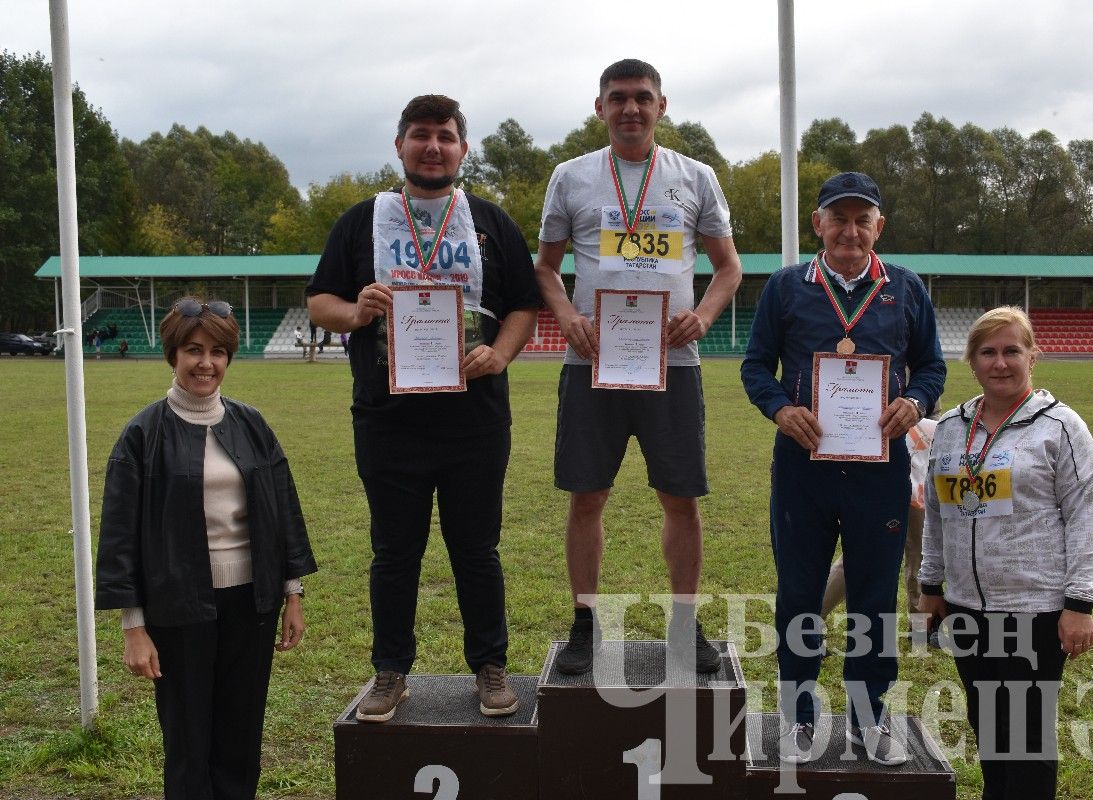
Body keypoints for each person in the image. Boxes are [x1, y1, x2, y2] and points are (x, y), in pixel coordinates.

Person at [307, 94, 540, 721]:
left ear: (463, 148)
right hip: (388, 419)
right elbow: (319, 302)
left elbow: (523, 304)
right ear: (400, 145)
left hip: (475, 420)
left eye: (444, 135)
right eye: (419, 135)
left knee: (477, 549)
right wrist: (356, 312)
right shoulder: (362, 221)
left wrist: (500, 354)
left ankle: (490, 666)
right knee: (394, 551)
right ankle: (390, 672)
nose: (432, 146)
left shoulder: (491, 222)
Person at [534, 58, 743, 675]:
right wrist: (568, 317)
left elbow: (728, 267)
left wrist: (702, 317)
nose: (630, 108)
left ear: (662, 105)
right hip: (591, 362)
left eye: (642, 98)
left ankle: (685, 624)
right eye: (618, 98)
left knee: (680, 499)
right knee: (586, 498)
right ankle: (584, 623)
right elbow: (544, 267)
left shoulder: (695, 177)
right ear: (599, 107)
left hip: (672, 364)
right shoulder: (570, 178)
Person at [740, 171, 946, 765]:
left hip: (880, 467)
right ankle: (799, 713)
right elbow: (756, 367)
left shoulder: (906, 289)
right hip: (804, 467)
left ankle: (867, 716)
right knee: (800, 590)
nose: (851, 230)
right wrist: (780, 409)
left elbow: (932, 367)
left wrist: (916, 402)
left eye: (863, 219)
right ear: (818, 224)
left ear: (879, 226)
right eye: (840, 218)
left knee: (875, 596)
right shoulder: (785, 288)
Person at [95, 297, 317, 800]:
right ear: (173, 355)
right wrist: (133, 626)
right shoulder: (142, 434)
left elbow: (282, 509)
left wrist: (293, 592)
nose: (206, 363)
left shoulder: (251, 424)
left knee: (240, 735)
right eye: (194, 350)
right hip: (177, 607)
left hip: (251, 603)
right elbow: (120, 536)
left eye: (218, 352)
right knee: (189, 741)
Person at [918, 306, 1093, 800]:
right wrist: (931, 588)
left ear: (1032, 357)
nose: (1001, 363)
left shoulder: (1060, 427)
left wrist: (1079, 605)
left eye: (1011, 351)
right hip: (966, 608)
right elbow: (936, 514)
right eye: (988, 352)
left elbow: (1086, 516)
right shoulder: (952, 429)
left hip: (1035, 611)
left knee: (1026, 739)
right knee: (990, 730)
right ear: (972, 362)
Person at [820, 409, 938, 625]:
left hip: (922, 453)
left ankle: (922, 624)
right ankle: (812, 619)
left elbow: (930, 397)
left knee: (921, 552)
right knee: (860, 552)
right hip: (884, 456)